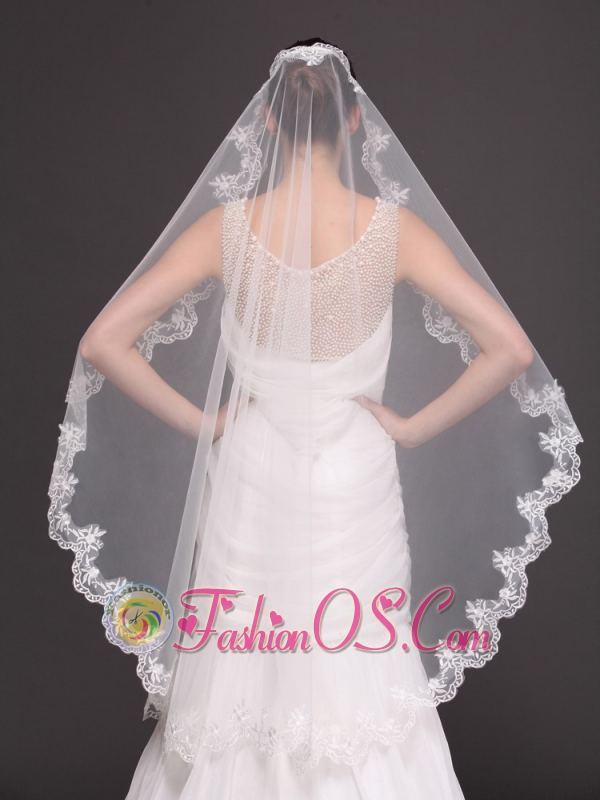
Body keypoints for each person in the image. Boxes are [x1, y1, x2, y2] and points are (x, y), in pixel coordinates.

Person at [48, 39, 582, 799]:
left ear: (266, 123)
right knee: (359, 661)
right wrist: (412, 426)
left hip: (252, 466)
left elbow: (102, 340)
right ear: (357, 119)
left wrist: (206, 423)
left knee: (241, 661)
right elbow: (511, 348)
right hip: (352, 472)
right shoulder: (394, 230)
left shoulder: (226, 229)